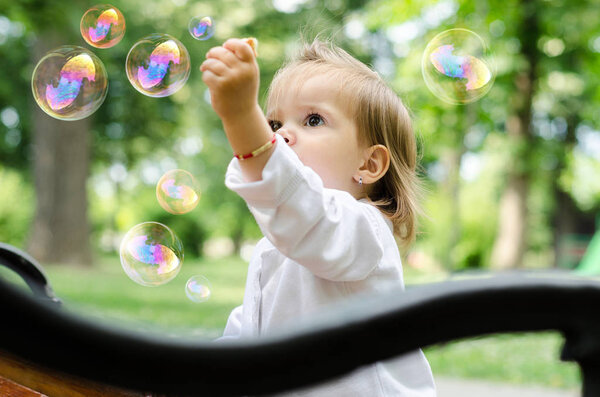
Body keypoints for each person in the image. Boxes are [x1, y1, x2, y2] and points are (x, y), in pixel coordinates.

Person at [200, 36, 436, 396]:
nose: (283, 136)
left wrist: (242, 117)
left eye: (313, 119)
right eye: (274, 124)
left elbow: (304, 211)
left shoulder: (365, 231)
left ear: (369, 164)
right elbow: (248, 336)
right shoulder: (275, 247)